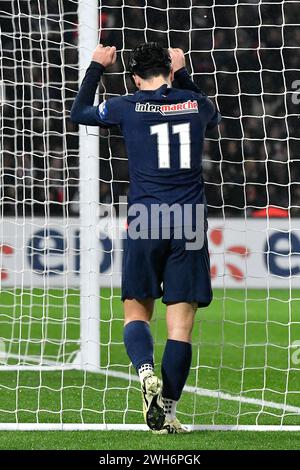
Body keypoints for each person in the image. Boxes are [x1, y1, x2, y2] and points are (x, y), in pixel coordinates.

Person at [71, 42, 221, 434]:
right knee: (180, 328)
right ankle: (167, 412)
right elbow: (213, 113)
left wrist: (95, 67)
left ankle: (144, 371)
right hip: (188, 221)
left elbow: (79, 112)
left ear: (136, 77)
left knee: (137, 313)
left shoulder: (126, 105)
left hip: (145, 218)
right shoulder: (196, 104)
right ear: (170, 71)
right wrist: (183, 72)